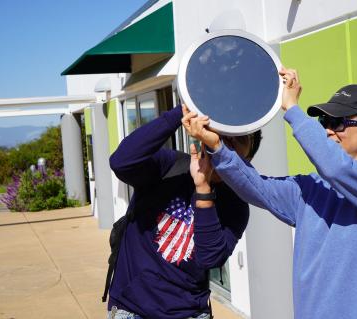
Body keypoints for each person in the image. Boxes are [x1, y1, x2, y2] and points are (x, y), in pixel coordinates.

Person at [183, 68, 357, 319]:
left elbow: (336, 168)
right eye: (325, 122)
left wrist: (292, 110)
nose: (328, 130)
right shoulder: (310, 187)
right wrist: (217, 146)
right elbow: (256, 186)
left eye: (338, 122)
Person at [107, 103, 262, 319]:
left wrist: (203, 188)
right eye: (223, 134)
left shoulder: (236, 205)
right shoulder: (170, 166)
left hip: (188, 313)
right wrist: (183, 111)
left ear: (248, 158)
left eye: (241, 138)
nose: (229, 141)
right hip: (132, 309)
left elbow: (209, 258)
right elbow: (121, 161)